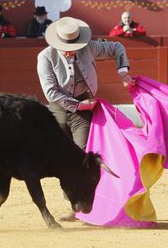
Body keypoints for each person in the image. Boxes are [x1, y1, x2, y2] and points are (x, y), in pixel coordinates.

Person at [37, 17, 135, 221]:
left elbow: (116, 47)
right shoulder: (45, 57)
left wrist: (123, 71)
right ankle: (74, 204)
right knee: (62, 160)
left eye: (73, 46)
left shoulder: (87, 47)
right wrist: (77, 105)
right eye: (65, 46)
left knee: (82, 159)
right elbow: (51, 93)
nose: (70, 50)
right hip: (59, 113)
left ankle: (85, 206)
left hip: (83, 113)